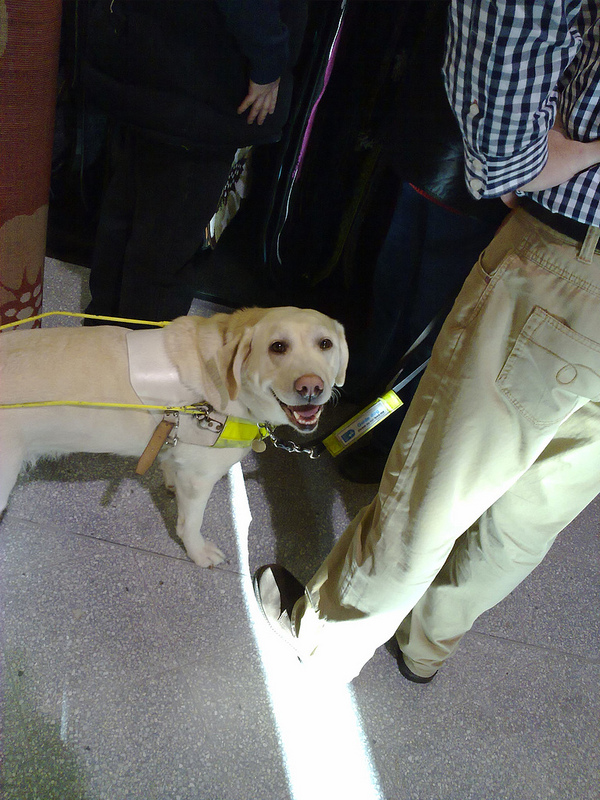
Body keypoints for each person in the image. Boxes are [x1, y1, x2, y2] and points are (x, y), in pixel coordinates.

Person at [252, 0, 600, 684]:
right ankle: (425, 644)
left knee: (438, 483)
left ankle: (321, 643)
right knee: (537, 506)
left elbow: (503, 157)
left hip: (568, 264)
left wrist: (574, 151)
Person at [81, 0, 306, 323]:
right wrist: (269, 61)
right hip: (203, 83)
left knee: (127, 210)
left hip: (150, 59)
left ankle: (101, 326)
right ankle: (141, 348)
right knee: (168, 240)